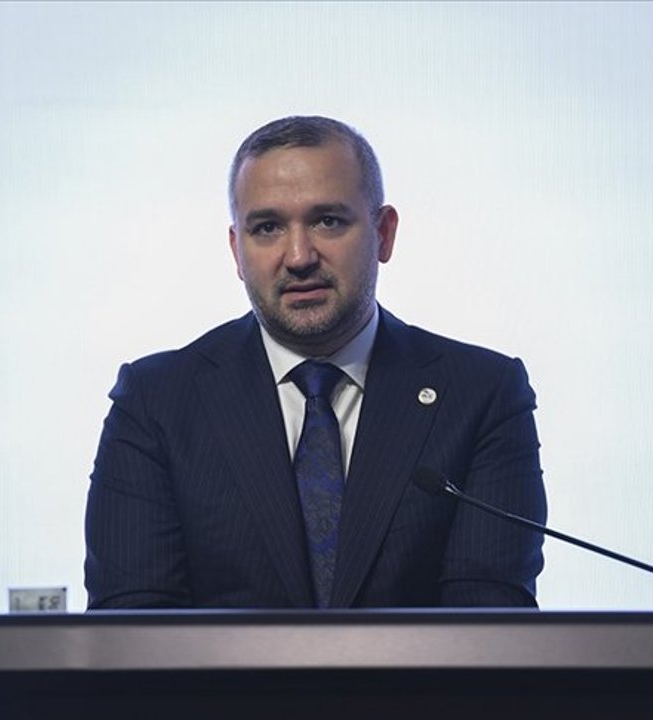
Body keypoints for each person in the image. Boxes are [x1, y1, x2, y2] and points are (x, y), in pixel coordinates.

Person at [85, 116, 547, 609]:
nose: (299, 256)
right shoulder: (156, 402)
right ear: (237, 250)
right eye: (267, 228)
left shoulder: (482, 395)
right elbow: (132, 629)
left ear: (384, 233)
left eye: (327, 221)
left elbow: (488, 629)